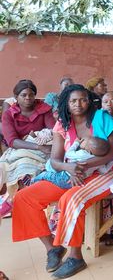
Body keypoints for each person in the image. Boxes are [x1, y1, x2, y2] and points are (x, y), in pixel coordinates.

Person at [12, 84, 113, 279]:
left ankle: (75, 256)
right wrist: (70, 168)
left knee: (72, 199)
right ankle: (52, 248)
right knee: (23, 198)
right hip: (70, 173)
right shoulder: (62, 124)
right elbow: (55, 160)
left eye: (83, 99)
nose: (78, 104)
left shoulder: (102, 118)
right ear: (66, 104)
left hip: (104, 173)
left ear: (89, 100)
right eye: (73, 101)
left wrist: (84, 166)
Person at [0, 79, 56, 216]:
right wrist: (37, 146)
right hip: (20, 148)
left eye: (31, 95)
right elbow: (12, 140)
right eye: (23, 95)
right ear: (16, 98)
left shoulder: (44, 110)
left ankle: (15, 201)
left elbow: (53, 131)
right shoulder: (9, 114)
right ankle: (13, 200)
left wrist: (39, 140)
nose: (28, 98)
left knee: (26, 166)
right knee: (6, 166)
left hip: (44, 147)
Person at [32, 137, 112, 189]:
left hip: (65, 178)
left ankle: (34, 180)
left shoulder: (82, 154)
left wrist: (76, 142)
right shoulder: (99, 162)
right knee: (52, 169)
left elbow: (68, 154)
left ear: (88, 150)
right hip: (75, 182)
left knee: (48, 175)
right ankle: (44, 171)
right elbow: (104, 170)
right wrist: (112, 161)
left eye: (86, 142)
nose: (84, 141)